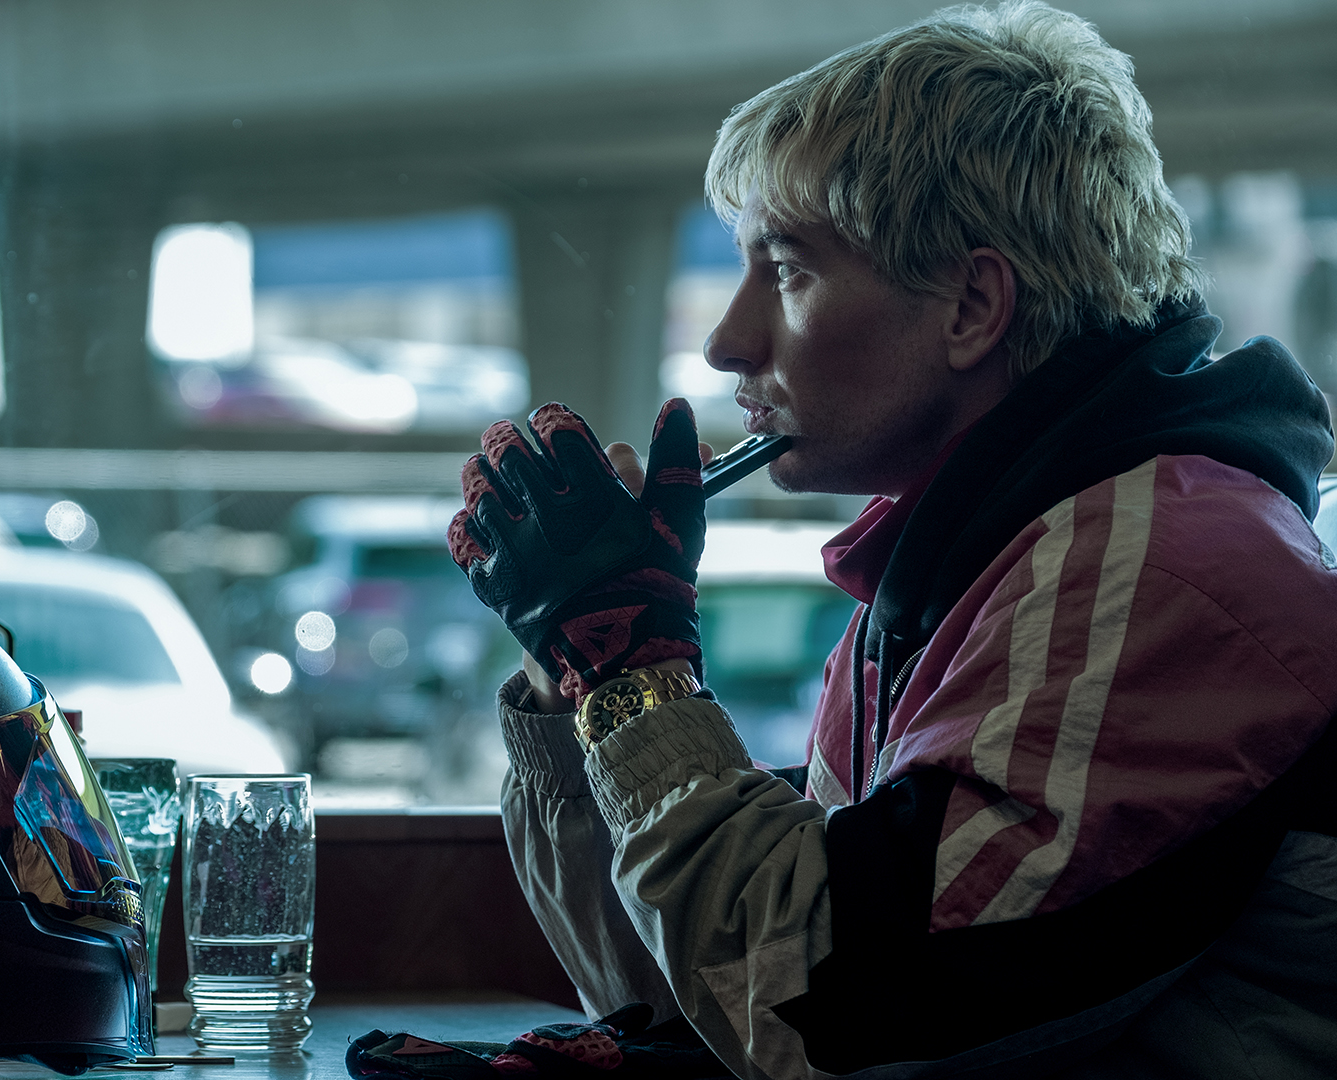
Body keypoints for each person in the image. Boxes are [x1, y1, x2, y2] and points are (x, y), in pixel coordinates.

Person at [446, 3, 1337, 1077]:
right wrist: (576, 665)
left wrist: (633, 668)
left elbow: (825, 1018)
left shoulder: (1157, 569)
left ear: (971, 304)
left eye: (787, 270)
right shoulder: (969, 568)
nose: (728, 342)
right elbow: (693, 1003)